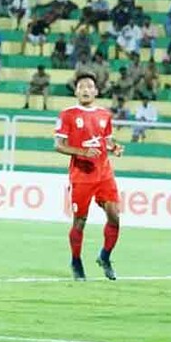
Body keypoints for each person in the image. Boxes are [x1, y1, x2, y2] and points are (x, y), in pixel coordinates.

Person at [55, 72, 125, 281]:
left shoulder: (104, 115)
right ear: (76, 91)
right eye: (81, 86)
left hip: (104, 174)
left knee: (115, 217)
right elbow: (58, 146)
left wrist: (115, 148)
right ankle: (76, 261)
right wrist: (83, 152)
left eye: (89, 86)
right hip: (81, 176)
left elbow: (107, 141)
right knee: (80, 221)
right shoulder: (67, 114)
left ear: (96, 91)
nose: (86, 89)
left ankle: (105, 256)